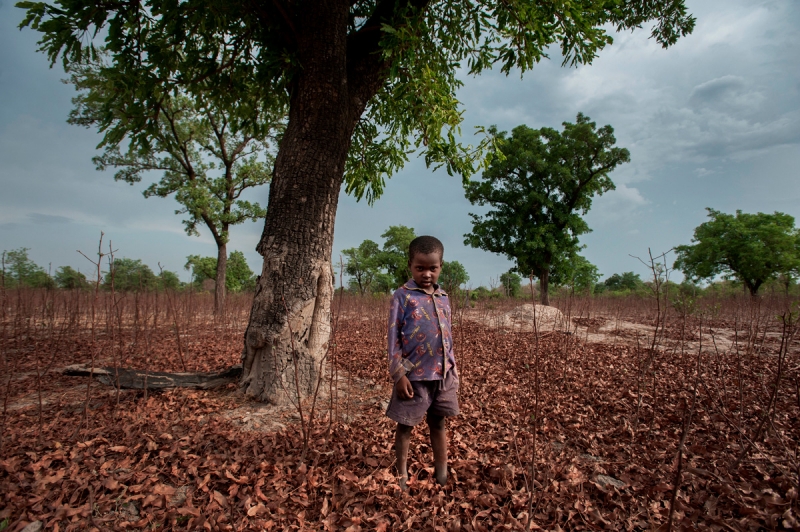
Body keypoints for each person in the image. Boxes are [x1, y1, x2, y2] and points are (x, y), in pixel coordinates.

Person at [386, 235, 459, 491]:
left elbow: (447, 335)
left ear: (440, 266)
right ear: (410, 265)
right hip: (413, 377)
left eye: (432, 268)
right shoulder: (402, 296)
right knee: (405, 426)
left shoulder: (443, 296)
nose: (427, 274)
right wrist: (398, 374)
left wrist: (452, 368)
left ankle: (442, 475)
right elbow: (393, 337)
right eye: (420, 268)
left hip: (443, 376)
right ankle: (402, 476)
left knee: (438, 423)